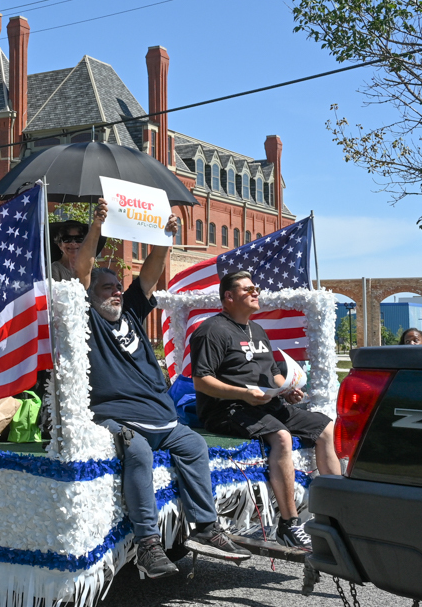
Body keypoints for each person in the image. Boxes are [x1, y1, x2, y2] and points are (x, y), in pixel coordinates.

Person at [75, 198, 249, 578]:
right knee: (137, 452)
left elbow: (151, 270)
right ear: (90, 295)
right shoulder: (88, 319)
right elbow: (82, 270)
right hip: (118, 417)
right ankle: (148, 545)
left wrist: (165, 236)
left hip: (162, 417)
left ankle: (206, 528)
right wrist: (97, 226)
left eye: (117, 287)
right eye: (106, 288)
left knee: (194, 444)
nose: (115, 292)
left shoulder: (131, 311)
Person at [189, 270, 342, 550]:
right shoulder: (211, 330)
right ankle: (289, 525)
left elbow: (273, 374)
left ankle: (335, 517)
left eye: (255, 288)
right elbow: (202, 381)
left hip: (266, 404)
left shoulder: (257, 330)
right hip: (227, 409)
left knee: (325, 427)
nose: (255, 292)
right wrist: (243, 393)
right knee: (281, 437)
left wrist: (287, 389)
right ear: (228, 296)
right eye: (247, 289)